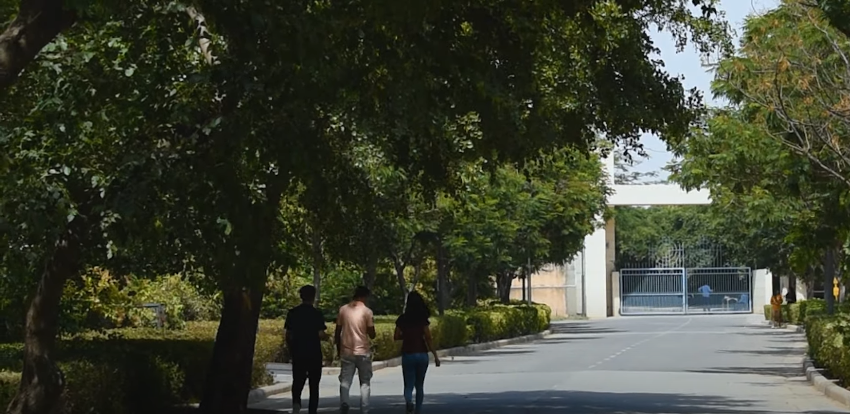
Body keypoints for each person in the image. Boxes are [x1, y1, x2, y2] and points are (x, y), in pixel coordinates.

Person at [284, 285, 329, 414]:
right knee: (314, 385)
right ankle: (312, 410)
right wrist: (327, 337)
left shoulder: (292, 313)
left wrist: (291, 349)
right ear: (313, 297)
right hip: (314, 353)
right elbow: (321, 334)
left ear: (301, 296)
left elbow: (288, 334)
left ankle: (296, 404)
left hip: (298, 352)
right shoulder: (317, 313)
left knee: (298, 381)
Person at [394, 291, 441, 414]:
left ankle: (409, 401)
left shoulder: (402, 319)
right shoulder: (422, 320)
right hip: (422, 353)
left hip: (408, 353)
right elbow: (428, 338)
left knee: (408, 384)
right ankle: (418, 411)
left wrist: (407, 336)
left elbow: (396, 336)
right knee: (419, 385)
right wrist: (435, 356)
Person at [336, 286, 376, 414]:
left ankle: (344, 402)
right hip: (363, 351)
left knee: (345, 380)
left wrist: (338, 349)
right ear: (364, 297)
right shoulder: (367, 312)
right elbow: (372, 334)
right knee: (365, 382)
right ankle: (365, 408)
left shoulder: (343, 310)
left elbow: (337, 331)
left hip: (346, 351)